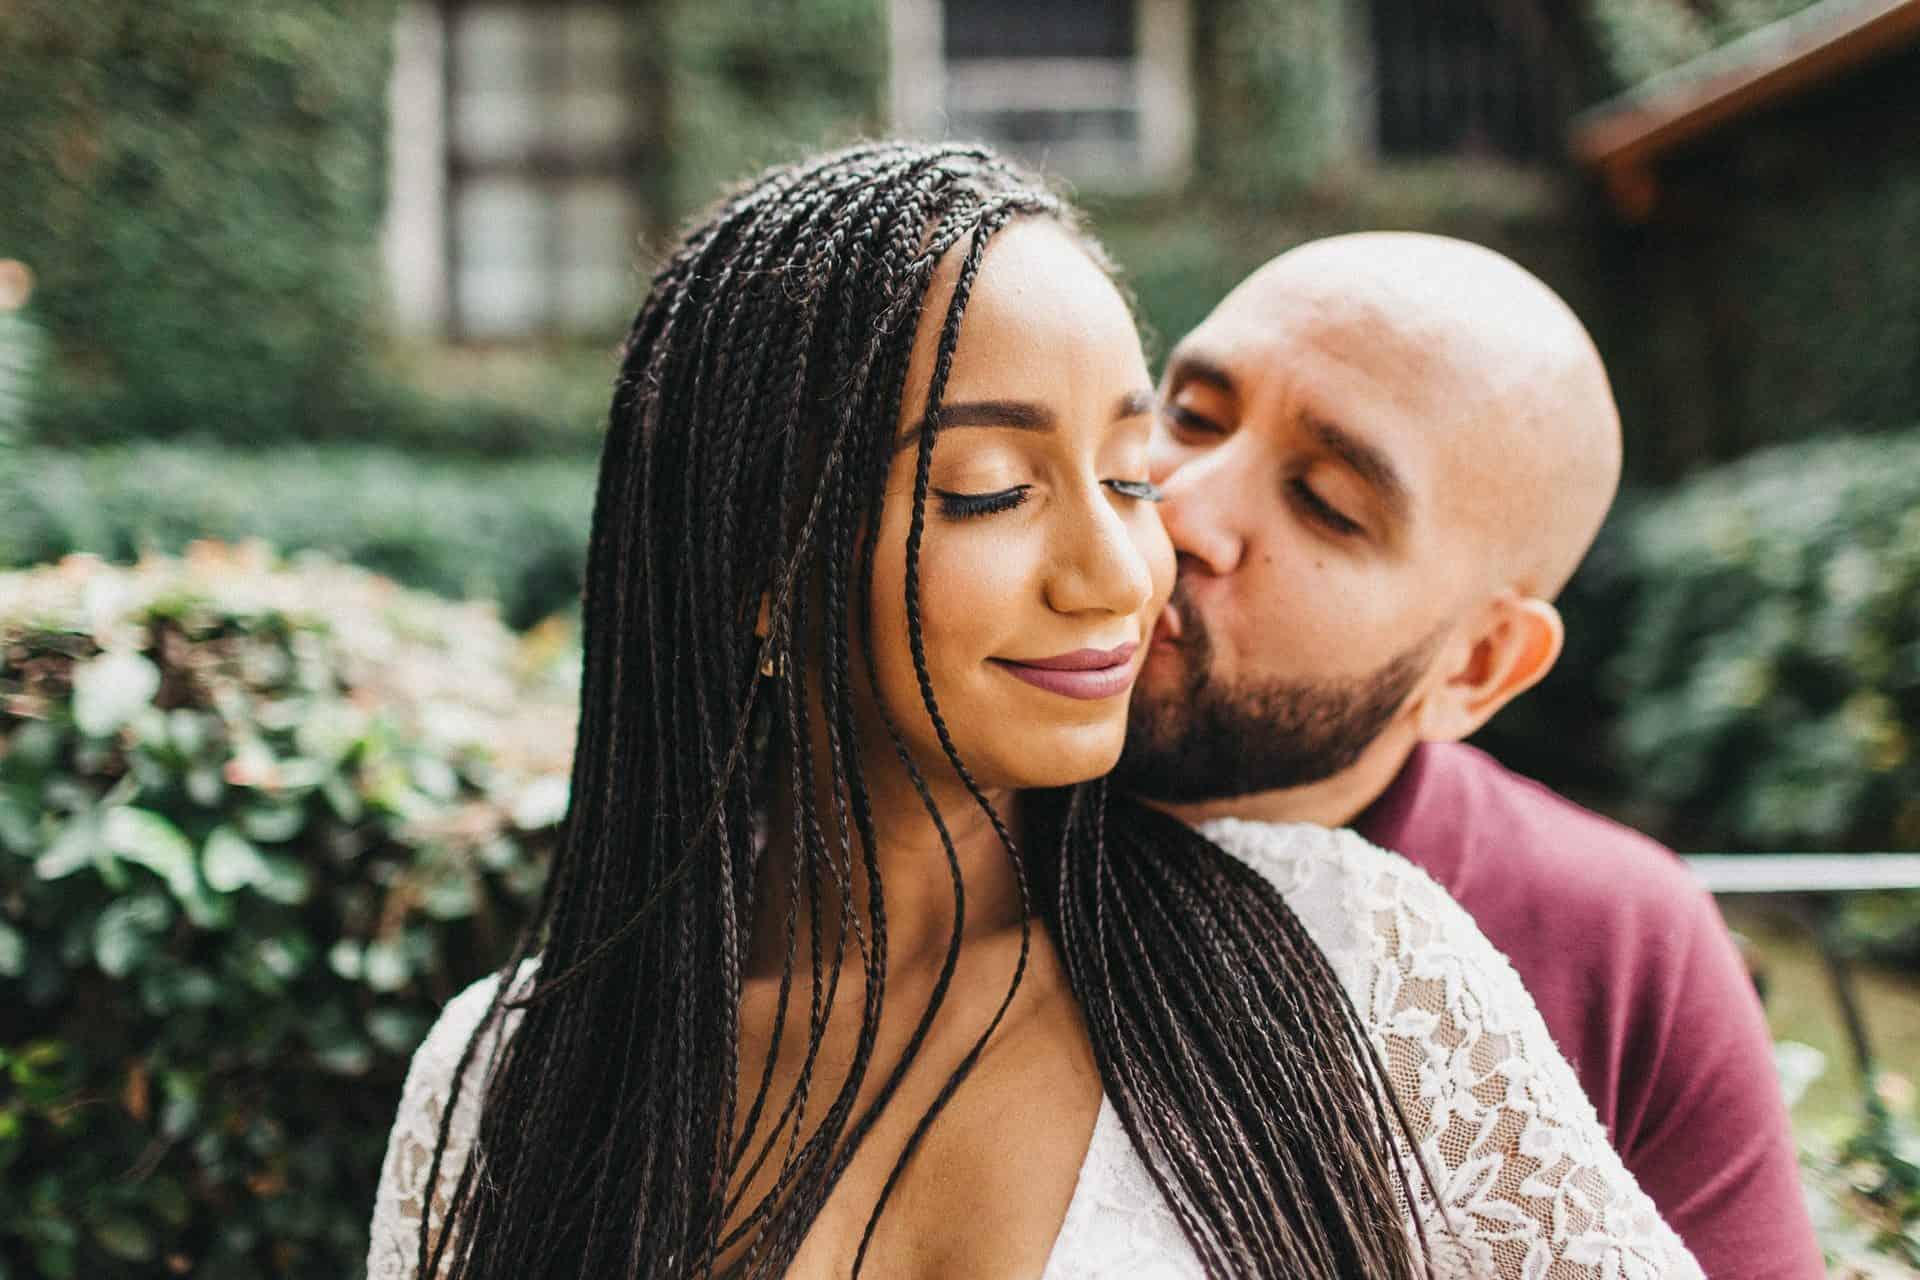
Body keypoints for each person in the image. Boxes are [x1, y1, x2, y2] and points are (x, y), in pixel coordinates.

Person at [365, 145, 1702, 1279]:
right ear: (759, 560)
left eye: (1127, 475)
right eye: (993, 490)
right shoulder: (506, 1092)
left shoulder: (1354, 962)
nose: (1127, 569)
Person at [1118, 232, 1821, 1279]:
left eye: (1327, 502)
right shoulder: (912, 804)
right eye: (1191, 416)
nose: (1182, 512)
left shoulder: (1620, 941)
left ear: (1478, 665)